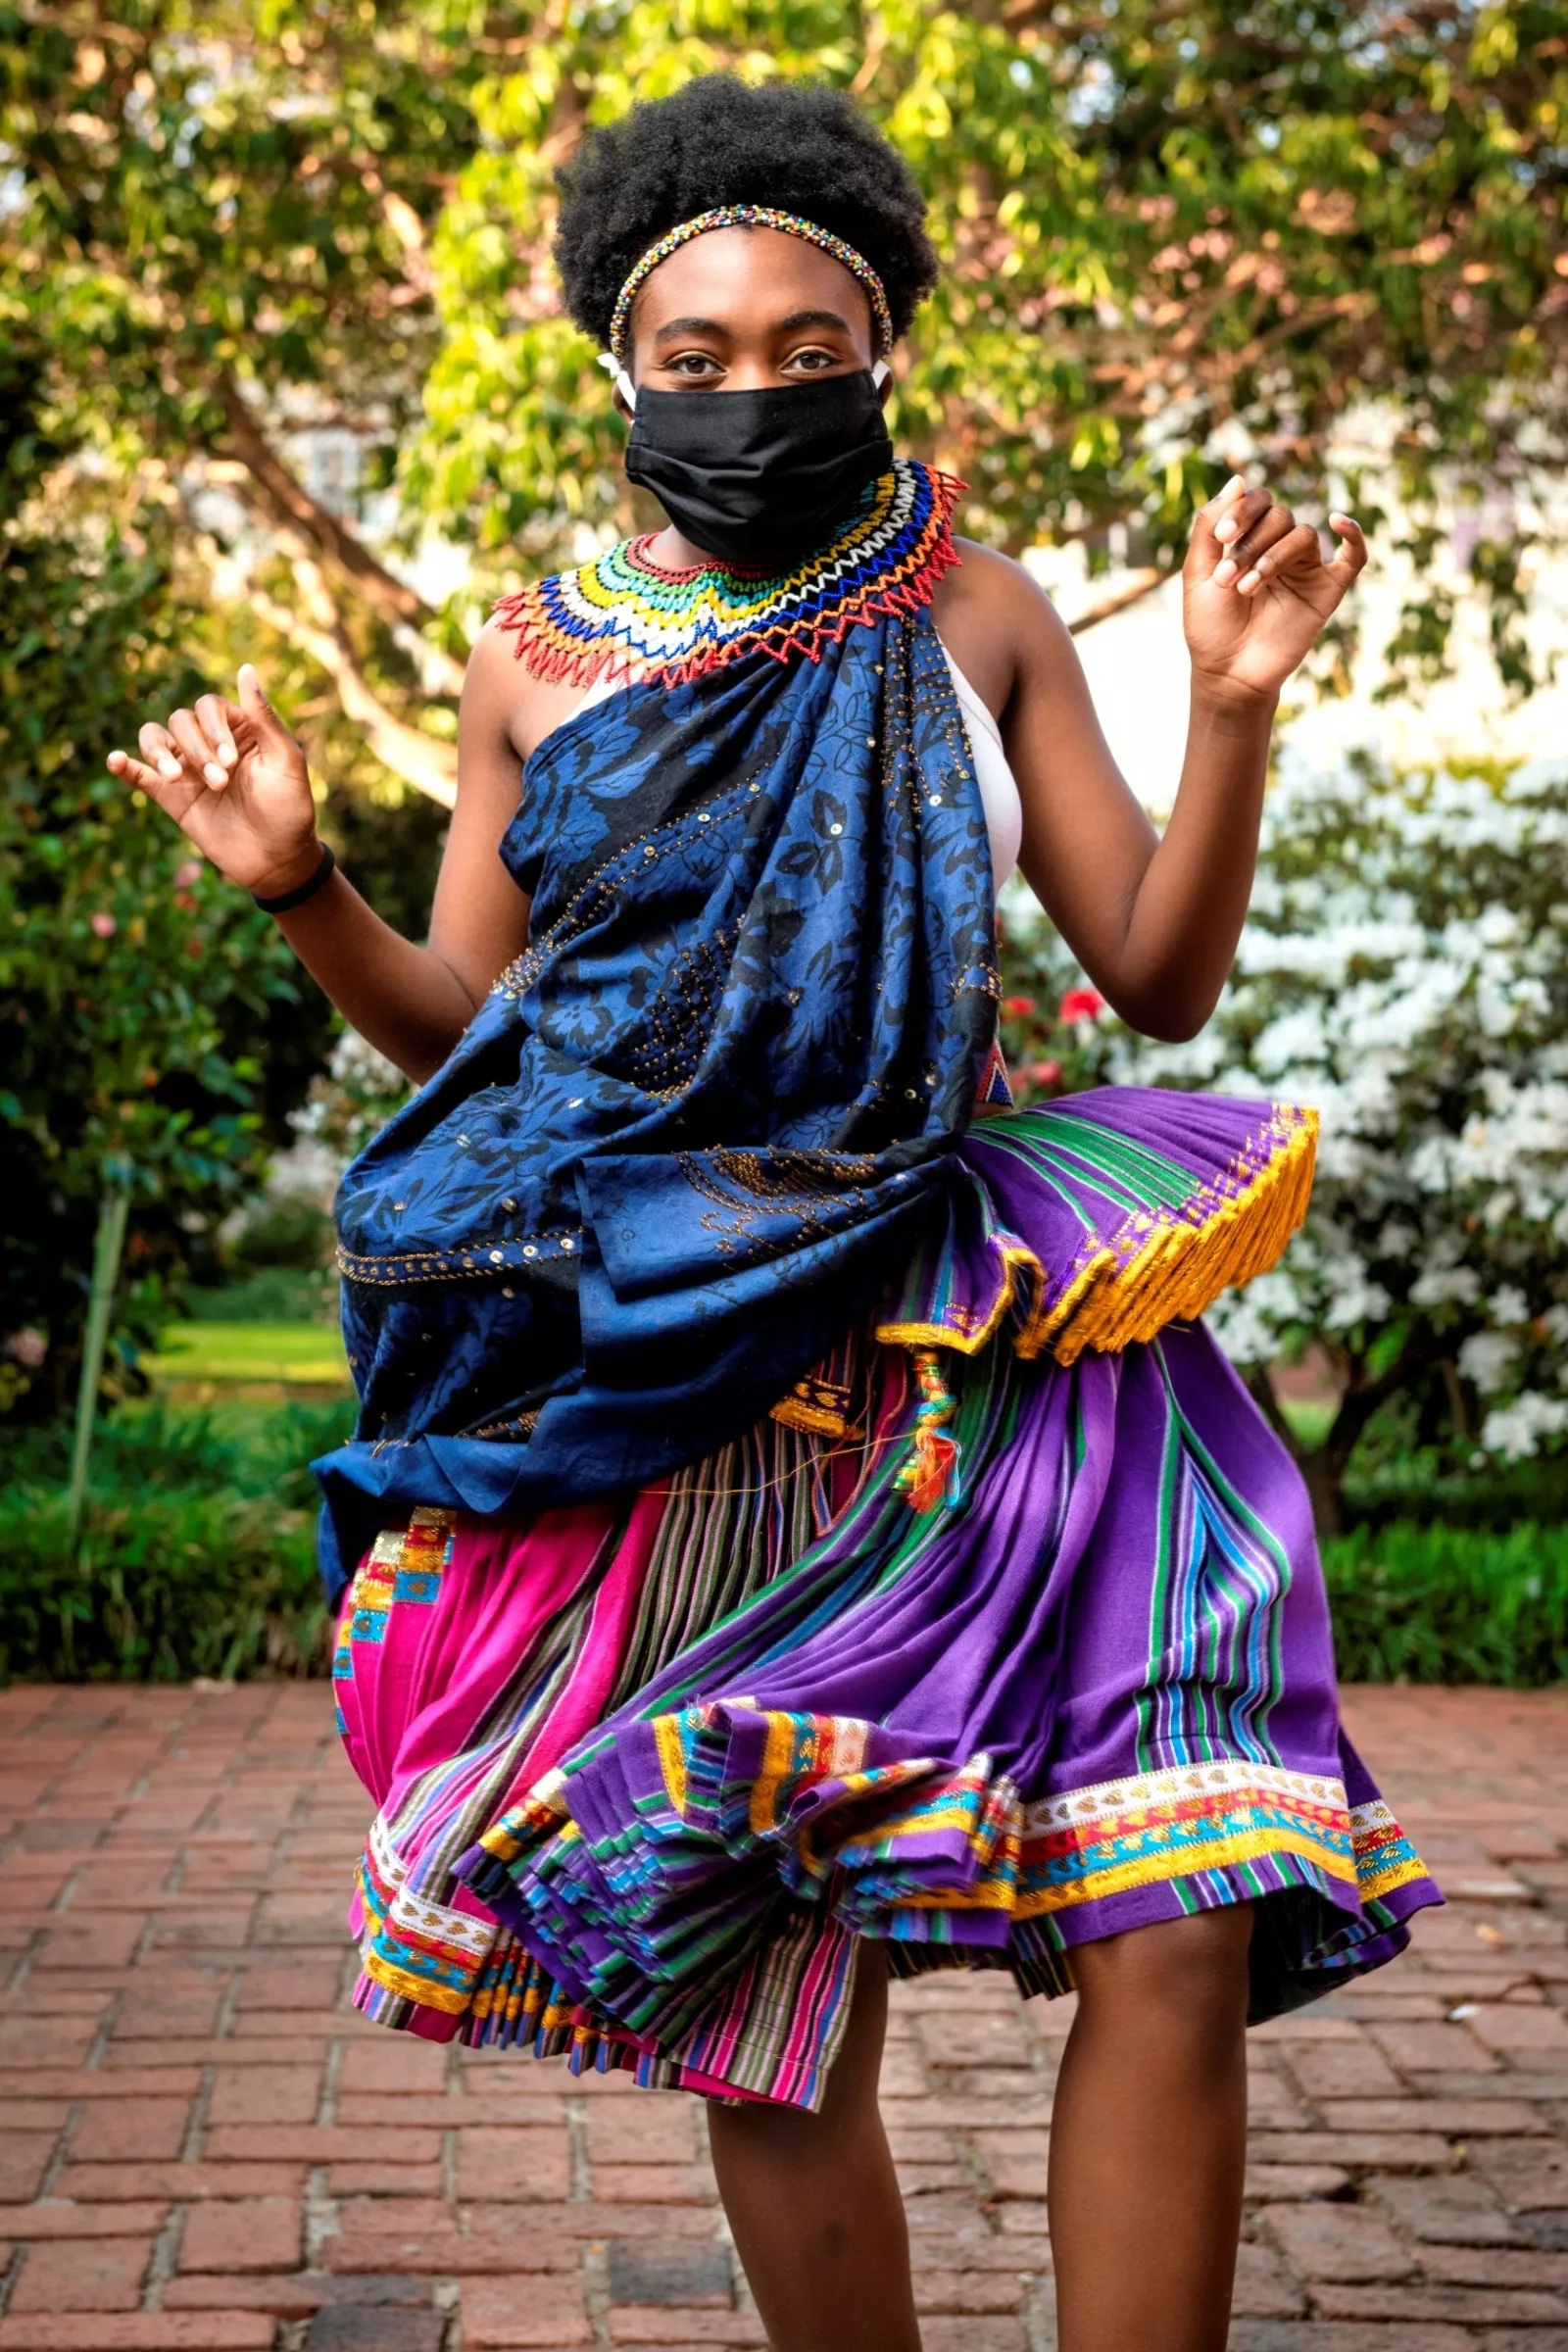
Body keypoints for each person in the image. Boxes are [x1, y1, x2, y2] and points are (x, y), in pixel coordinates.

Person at [110, 75, 1438, 2352]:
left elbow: (1156, 967)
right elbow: (467, 1032)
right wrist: (299, 886)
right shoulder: (532, 652)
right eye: (696, 357)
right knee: (764, 1963)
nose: (749, 395)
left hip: (996, 1331)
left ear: (885, 354)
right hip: (696, 1356)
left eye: (805, 354)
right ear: (621, 373)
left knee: (1178, 1908)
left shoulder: (978, 605)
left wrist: (1226, 711)